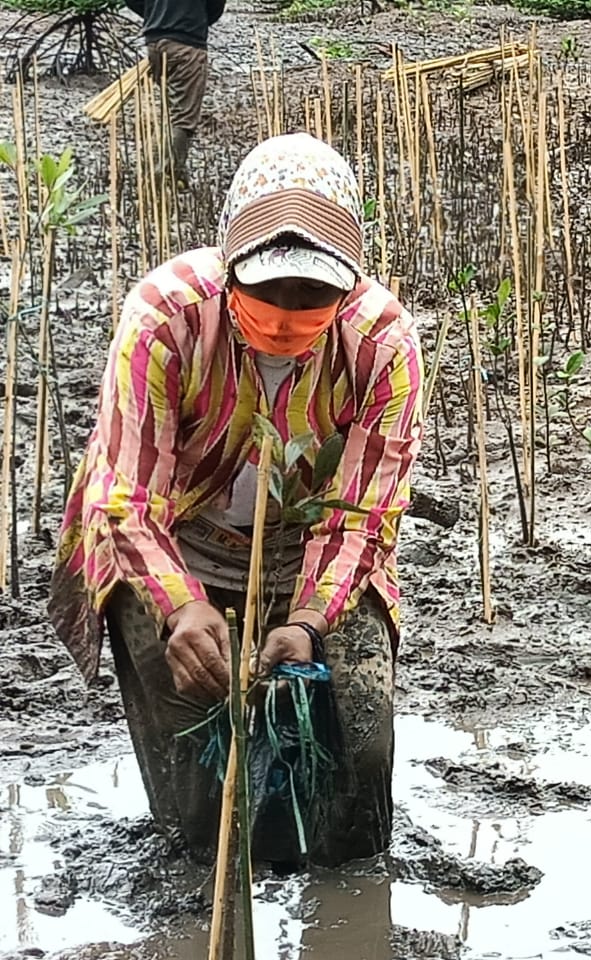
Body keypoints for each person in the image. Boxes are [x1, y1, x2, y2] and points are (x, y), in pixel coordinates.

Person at [49, 133, 423, 867]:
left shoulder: (382, 341)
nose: (287, 315)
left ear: (348, 283)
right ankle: (200, 875)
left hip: (310, 553)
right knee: (198, 777)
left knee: (359, 750)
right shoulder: (166, 316)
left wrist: (310, 621)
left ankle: (344, 882)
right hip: (169, 545)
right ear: (230, 272)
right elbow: (125, 497)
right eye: (266, 291)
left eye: (312, 294)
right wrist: (182, 607)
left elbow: (362, 513)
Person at [123, 0, 225, 184]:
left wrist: (155, 16)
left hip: (155, 43)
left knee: (169, 115)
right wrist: (196, 18)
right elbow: (215, 7)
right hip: (187, 44)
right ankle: (160, 176)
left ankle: (166, 172)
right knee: (182, 118)